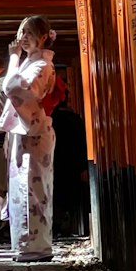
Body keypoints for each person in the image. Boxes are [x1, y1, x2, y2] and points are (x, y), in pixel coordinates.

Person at [0, 15, 56, 263]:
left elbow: (13, 88)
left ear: (43, 38)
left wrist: (12, 58)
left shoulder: (41, 66)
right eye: (22, 32)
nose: (24, 37)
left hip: (35, 132)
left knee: (34, 189)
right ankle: (24, 245)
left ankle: (37, 247)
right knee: (21, 190)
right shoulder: (30, 64)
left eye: (30, 33)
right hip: (23, 132)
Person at [51, 98, 89, 238]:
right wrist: (83, 164)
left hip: (55, 161)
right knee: (69, 192)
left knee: (55, 193)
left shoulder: (49, 119)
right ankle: (66, 218)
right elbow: (81, 142)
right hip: (71, 161)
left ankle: (56, 222)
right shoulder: (74, 118)